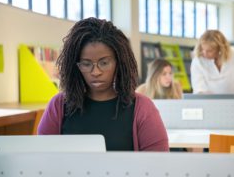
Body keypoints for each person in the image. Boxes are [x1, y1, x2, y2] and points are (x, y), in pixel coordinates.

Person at [38, 17, 169, 151]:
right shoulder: (58, 105)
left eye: (104, 63)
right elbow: (42, 160)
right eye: (86, 64)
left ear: (119, 62)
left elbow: (158, 166)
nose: (95, 72)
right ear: (75, 66)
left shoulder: (142, 108)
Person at [190, 30, 234, 94]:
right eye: (202, 49)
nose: (204, 53)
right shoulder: (198, 60)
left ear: (220, 49)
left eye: (209, 51)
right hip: (207, 102)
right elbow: (198, 89)